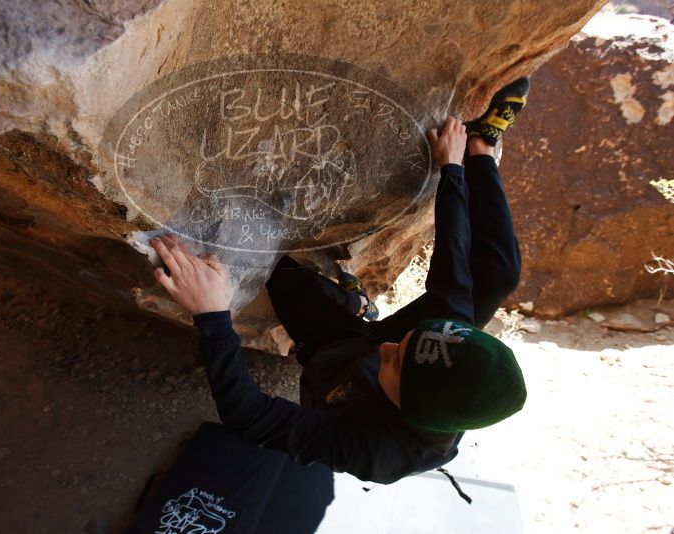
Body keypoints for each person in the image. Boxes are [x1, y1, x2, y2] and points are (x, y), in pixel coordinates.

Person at [150, 78, 530, 488]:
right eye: (406, 344)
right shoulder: (446, 342)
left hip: (331, 359)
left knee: (266, 260)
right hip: (362, 343)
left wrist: (212, 316)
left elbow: (250, 417)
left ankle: (349, 308)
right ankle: (483, 148)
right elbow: (452, 259)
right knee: (497, 276)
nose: (385, 347)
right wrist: (454, 169)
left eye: (395, 361)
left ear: (407, 406)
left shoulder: (376, 453)